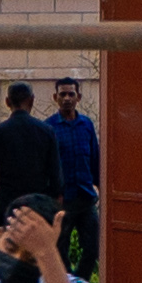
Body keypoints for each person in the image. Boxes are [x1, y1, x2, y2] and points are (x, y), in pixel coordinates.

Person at [0, 84, 59, 251]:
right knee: (34, 259)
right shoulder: (47, 131)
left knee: (7, 258)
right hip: (36, 207)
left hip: (7, 205)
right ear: (31, 101)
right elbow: (56, 178)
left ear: (7, 102)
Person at [38, 82, 100, 257]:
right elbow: (45, 166)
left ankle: (79, 281)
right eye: (63, 94)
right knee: (60, 251)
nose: (67, 99)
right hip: (61, 200)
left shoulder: (86, 125)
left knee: (93, 248)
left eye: (71, 94)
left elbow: (94, 159)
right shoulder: (48, 128)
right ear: (55, 97)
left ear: (78, 97)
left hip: (85, 197)